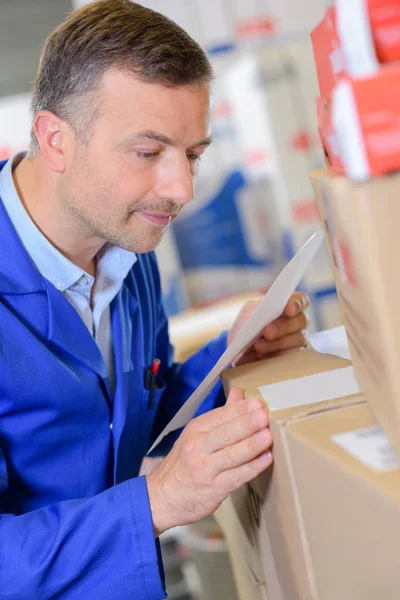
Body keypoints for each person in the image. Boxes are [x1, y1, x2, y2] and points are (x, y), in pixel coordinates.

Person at [0, 1, 309, 598]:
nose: (182, 190)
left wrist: (228, 361)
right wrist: (157, 502)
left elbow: (129, 418)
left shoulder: (126, 249)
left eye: (192, 155)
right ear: (55, 139)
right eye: (148, 153)